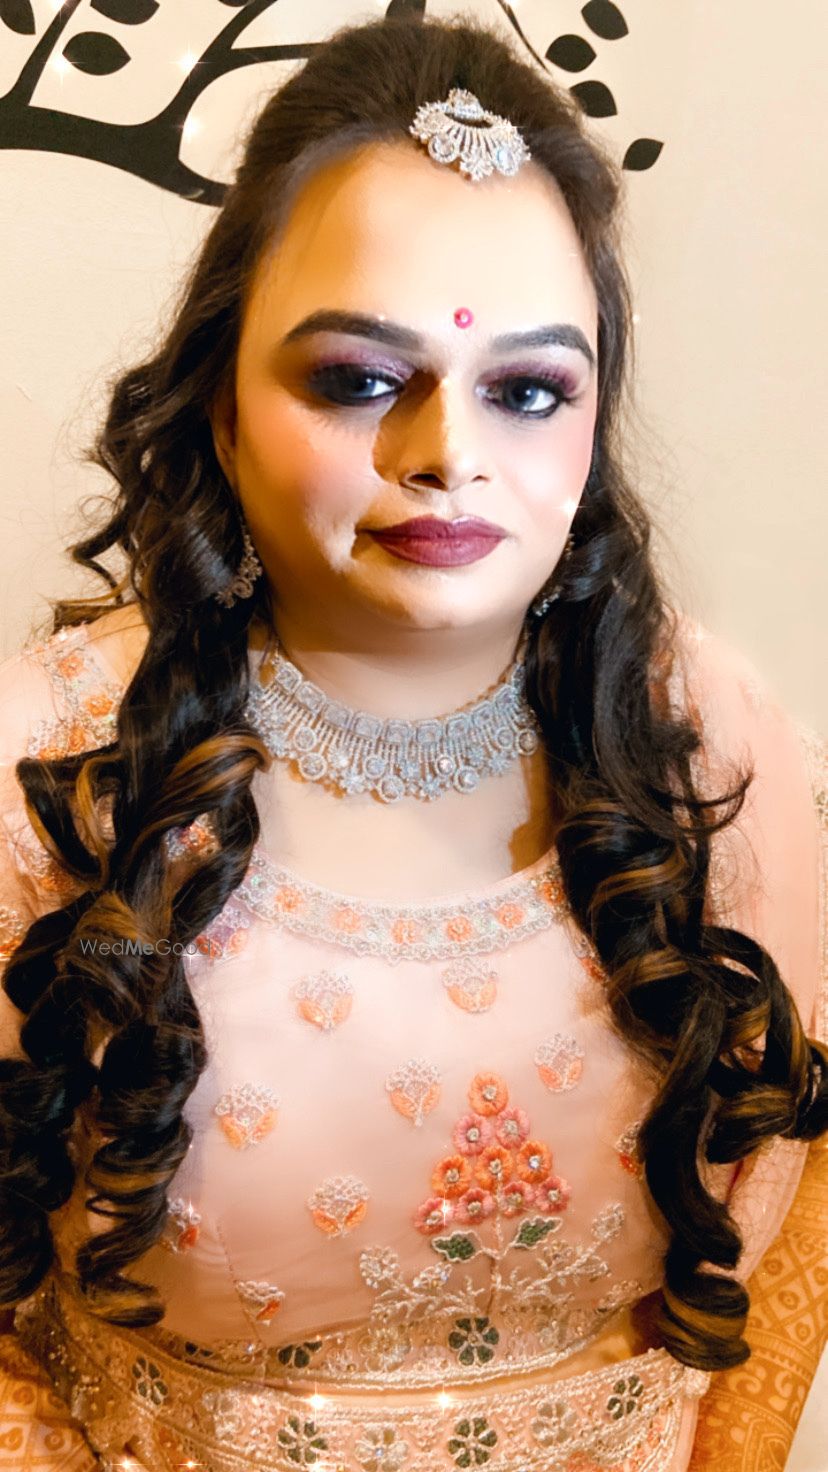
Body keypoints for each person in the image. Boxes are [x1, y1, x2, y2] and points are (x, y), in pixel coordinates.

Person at [0, 12, 825, 1471]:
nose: (450, 453)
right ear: (219, 400)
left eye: (528, 390)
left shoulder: (699, 734)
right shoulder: (52, 766)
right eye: (359, 379)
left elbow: (796, 1177)